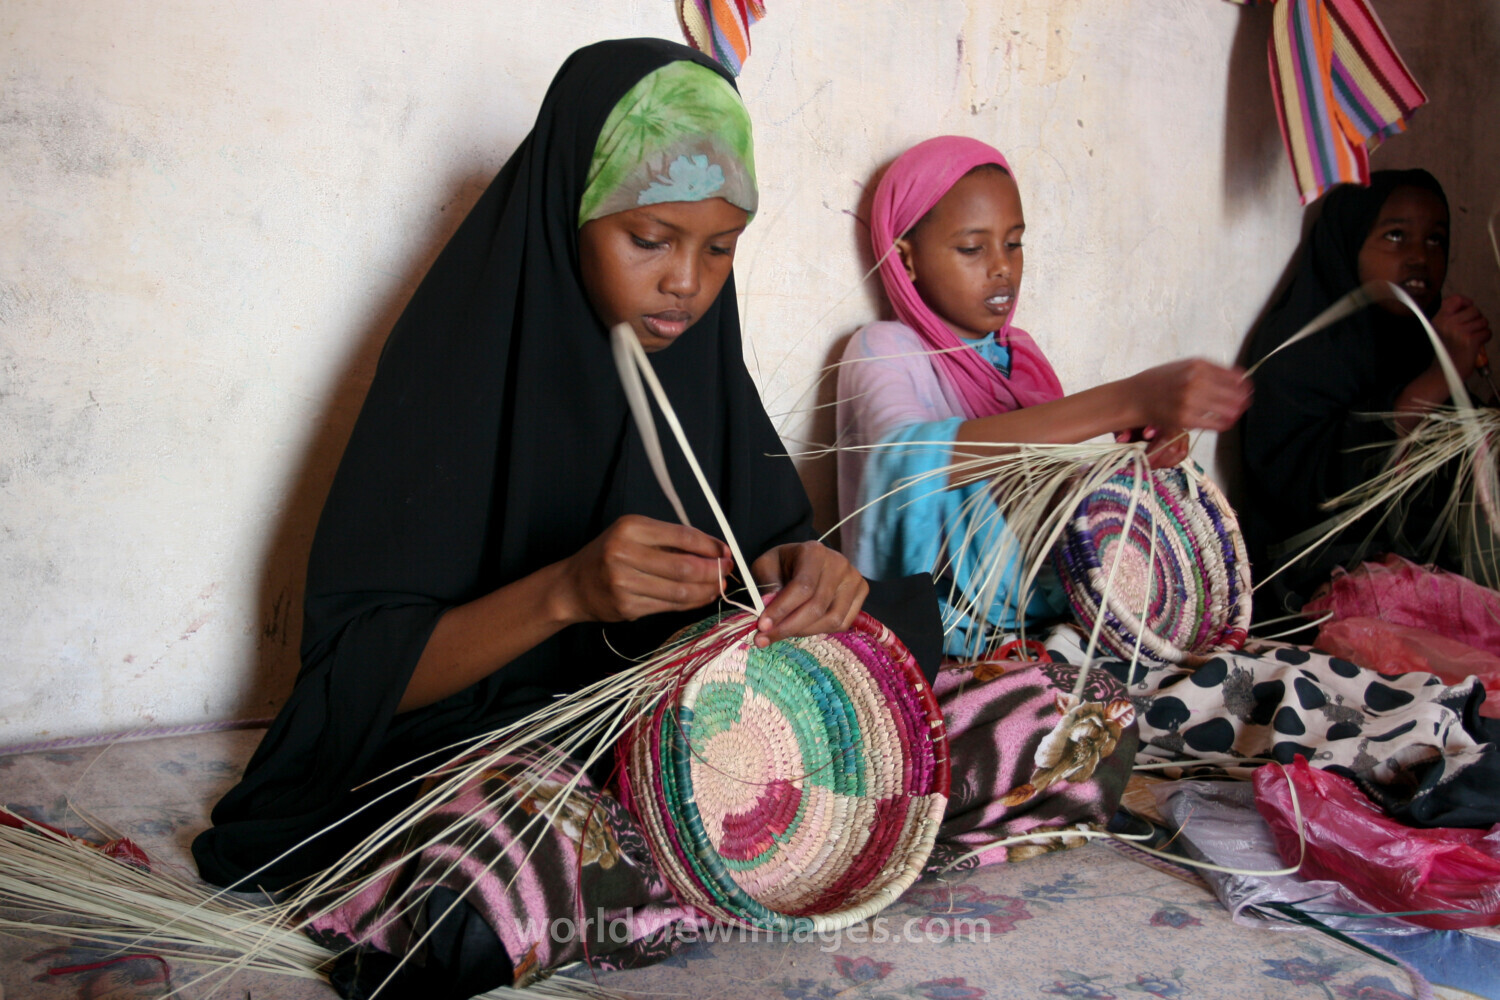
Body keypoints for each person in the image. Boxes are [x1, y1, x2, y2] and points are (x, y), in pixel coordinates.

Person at [191, 39, 940, 997]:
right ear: (568, 214)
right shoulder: (452, 372)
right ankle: (611, 880)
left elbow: (762, 572)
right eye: (650, 239)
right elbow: (351, 680)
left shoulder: (700, 364)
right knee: (497, 871)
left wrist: (807, 573)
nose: (687, 284)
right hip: (497, 750)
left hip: (674, 743)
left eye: (721, 249)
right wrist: (566, 593)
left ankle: (675, 868)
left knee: (936, 682)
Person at [837, 136, 1251, 658]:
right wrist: (1124, 400)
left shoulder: (1020, 358)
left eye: (1014, 243)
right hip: (934, 635)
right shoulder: (883, 348)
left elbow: (1041, 493)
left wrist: (1127, 467)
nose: (1002, 267)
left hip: (1043, 618)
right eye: (972, 248)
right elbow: (907, 463)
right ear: (906, 258)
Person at [1240, 169, 1493, 609]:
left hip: (1426, 576)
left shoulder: (1421, 341)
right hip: (1314, 581)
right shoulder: (1298, 350)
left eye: (1436, 240)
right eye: (1396, 236)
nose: (1419, 257)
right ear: (1347, 244)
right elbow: (1314, 493)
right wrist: (1440, 375)